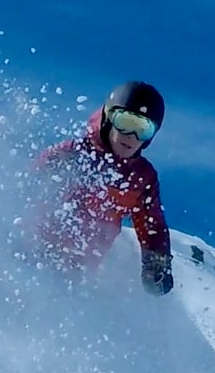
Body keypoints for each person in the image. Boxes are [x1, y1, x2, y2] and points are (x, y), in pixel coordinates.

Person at [25, 80, 173, 295]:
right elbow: (22, 188)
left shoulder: (141, 178)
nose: (131, 136)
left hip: (74, 278)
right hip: (30, 257)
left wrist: (157, 265)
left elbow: (153, 225)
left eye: (142, 129)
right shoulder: (72, 154)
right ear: (109, 117)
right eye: (126, 122)